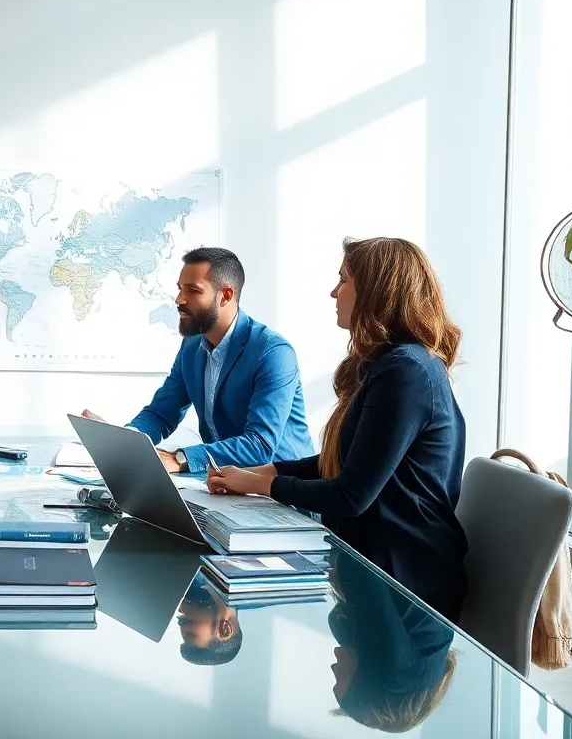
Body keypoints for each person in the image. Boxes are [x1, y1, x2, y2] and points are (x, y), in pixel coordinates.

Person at [207, 237, 469, 621]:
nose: (334, 292)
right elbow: (345, 462)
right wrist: (261, 473)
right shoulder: (386, 364)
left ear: (378, 292)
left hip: (404, 584)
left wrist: (259, 484)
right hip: (371, 558)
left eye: (344, 280)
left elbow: (351, 495)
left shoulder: (406, 372)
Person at [84, 247, 312, 473]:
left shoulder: (273, 352)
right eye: (180, 289)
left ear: (226, 296)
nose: (179, 300)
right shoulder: (191, 346)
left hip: (283, 497)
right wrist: (126, 442)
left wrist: (180, 458)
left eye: (193, 290)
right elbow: (161, 414)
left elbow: (259, 446)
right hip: (228, 486)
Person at [327, 551, 457, 732]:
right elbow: (356, 562)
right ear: (365, 689)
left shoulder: (414, 667)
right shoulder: (396, 677)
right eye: (337, 682)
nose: (333, 669)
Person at [177, 570, 243, 666]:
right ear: (225, 629)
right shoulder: (261, 586)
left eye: (181, 619)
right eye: (188, 621)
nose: (180, 608)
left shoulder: (182, 580)